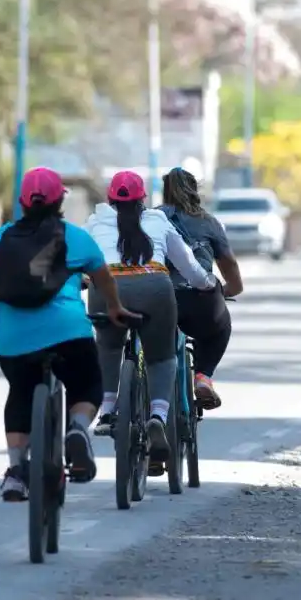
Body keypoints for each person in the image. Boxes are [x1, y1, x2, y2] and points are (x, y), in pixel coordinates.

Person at [0, 166, 138, 502]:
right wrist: (113, 307)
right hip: (67, 335)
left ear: (22, 201)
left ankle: (16, 472)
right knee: (88, 384)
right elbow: (103, 276)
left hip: (12, 341)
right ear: (58, 202)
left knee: (20, 391)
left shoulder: (0, 237)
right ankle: (77, 429)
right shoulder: (73, 236)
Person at [84, 170, 218, 457]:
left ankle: (107, 410)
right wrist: (206, 284)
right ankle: (157, 415)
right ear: (143, 199)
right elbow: (188, 265)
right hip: (154, 290)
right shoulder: (158, 221)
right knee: (161, 357)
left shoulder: (95, 223)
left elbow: (80, 261)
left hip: (106, 290)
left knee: (107, 346)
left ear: (109, 199)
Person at [157, 166, 244, 408]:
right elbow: (229, 264)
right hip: (200, 298)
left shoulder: (151, 218)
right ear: (195, 191)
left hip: (159, 296)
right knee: (220, 328)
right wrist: (230, 290)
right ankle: (203, 376)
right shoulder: (209, 223)